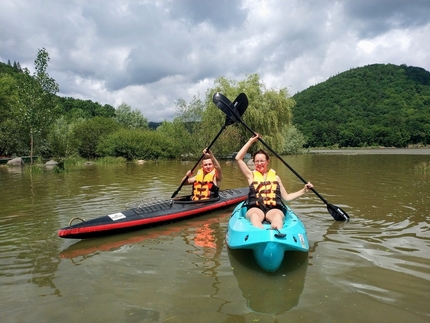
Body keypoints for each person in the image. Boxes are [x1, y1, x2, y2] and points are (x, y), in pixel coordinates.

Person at [235, 134, 313, 230]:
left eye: (262, 161)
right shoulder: (251, 175)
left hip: (273, 209)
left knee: (277, 218)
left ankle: (276, 233)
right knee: (255, 216)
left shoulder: (276, 178)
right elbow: (238, 158)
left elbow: (286, 198)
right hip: (255, 209)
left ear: (267, 161)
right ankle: (260, 232)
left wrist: (303, 190)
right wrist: (251, 141)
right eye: (257, 161)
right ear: (254, 162)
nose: (259, 164)